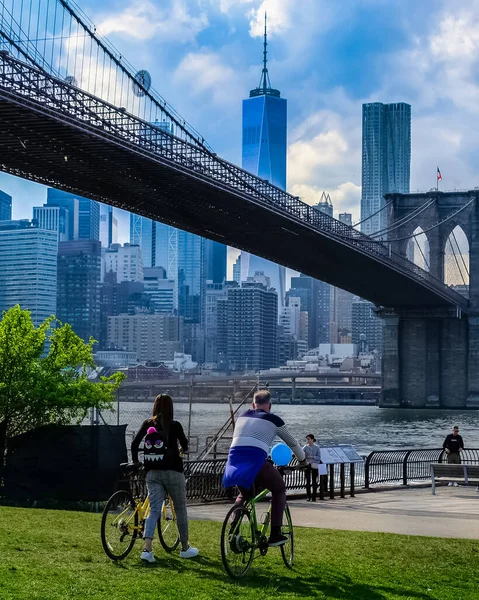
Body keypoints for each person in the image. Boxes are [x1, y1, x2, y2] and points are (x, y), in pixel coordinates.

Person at [223, 389, 307, 546]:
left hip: (234, 461)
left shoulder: (242, 416)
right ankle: (275, 534)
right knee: (279, 489)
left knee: (245, 494)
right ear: (270, 405)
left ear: (253, 404)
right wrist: (303, 461)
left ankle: (233, 531)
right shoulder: (275, 420)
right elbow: (293, 444)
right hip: (256, 461)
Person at [131, 393, 199, 562]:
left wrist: (136, 461)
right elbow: (185, 445)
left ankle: (147, 550)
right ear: (171, 408)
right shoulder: (175, 425)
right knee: (181, 508)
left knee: (154, 510)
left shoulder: (148, 424)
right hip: (174, 472)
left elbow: (134, 444)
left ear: (155, 407)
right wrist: (181, 448)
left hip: (152, 473)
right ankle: (184, 547)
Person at [303, 434, 320, 502]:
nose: (308, 441)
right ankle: (308, 496)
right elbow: (302, 455)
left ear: (312, 439)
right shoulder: (305, 447)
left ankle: (314, 497)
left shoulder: (317, 447)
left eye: (309, 439)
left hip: (314, 465)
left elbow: (319, 457)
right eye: (307, 439)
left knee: (314, 481)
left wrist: (312, 457)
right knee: (308, 481)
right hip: (307, 465)